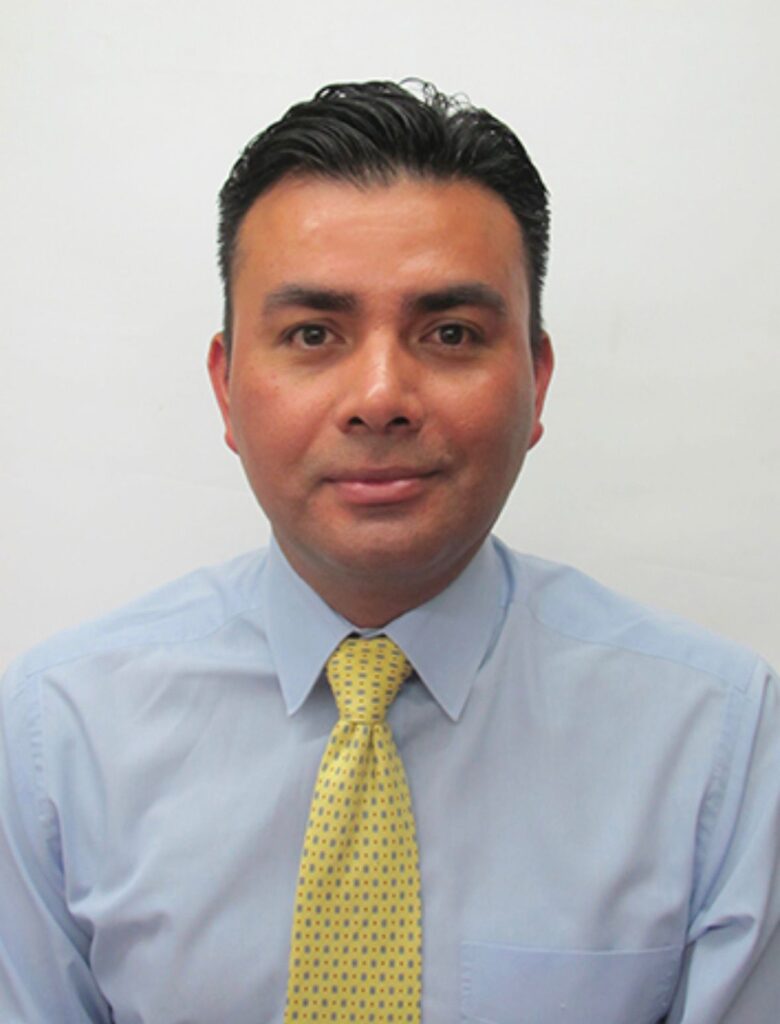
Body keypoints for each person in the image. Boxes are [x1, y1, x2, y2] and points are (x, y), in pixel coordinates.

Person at [0, 80, 778, 1024]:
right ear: (226, 385)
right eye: (312, 334)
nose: (380, 397)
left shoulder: (719, 744)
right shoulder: (57, 736)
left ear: (535, 382)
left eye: (450, 333)